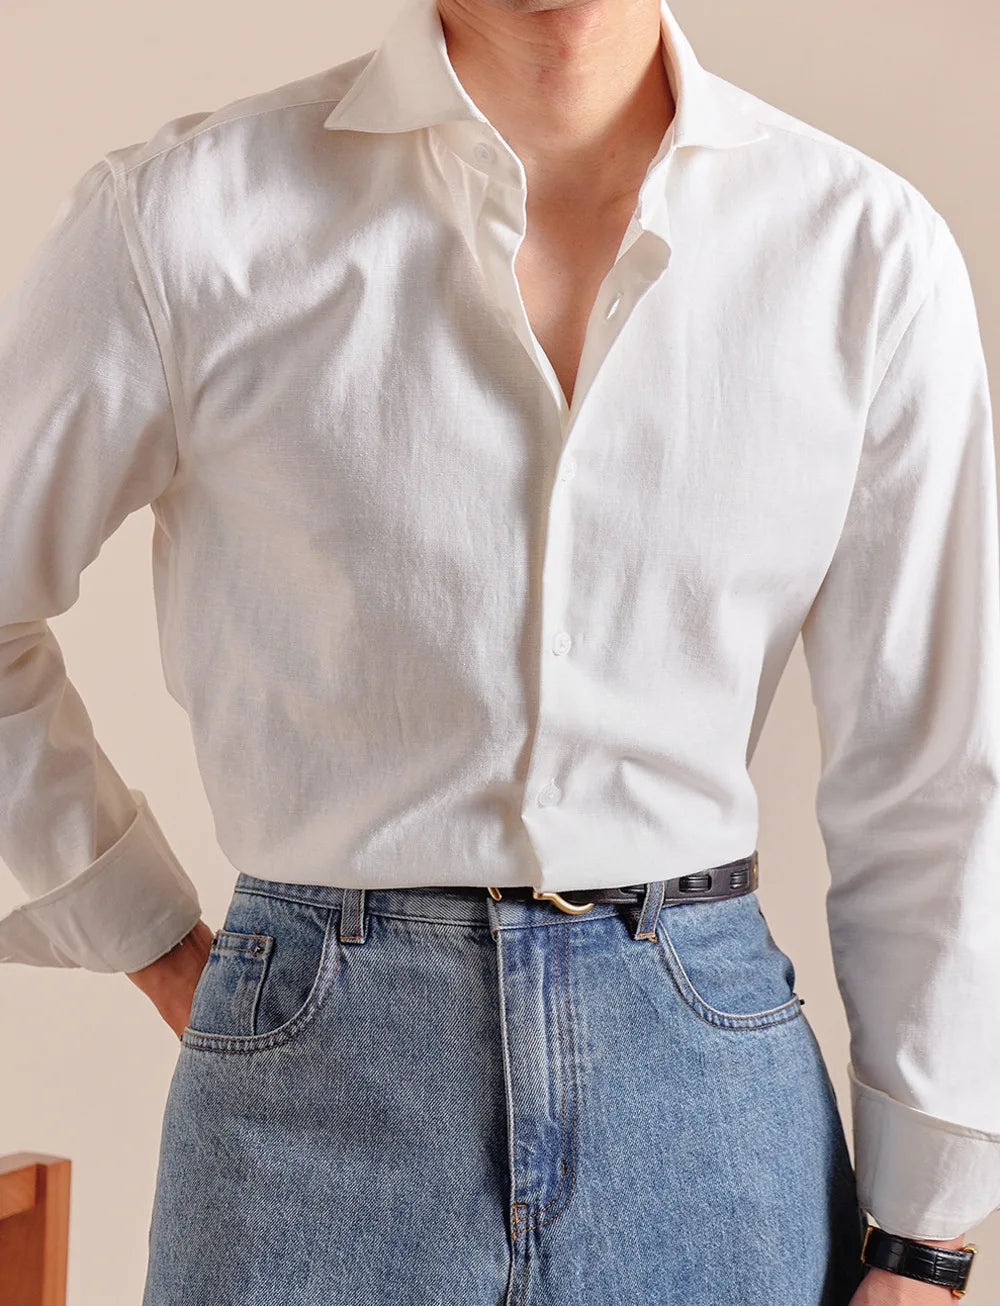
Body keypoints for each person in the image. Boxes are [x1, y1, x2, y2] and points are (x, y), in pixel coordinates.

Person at [0, 0, 996, 1300]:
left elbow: (931, 769)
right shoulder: (187, 221)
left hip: (707, 1105)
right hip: (313, 1105)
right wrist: (142, 927)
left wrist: (924, 1238)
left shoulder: (862, 251)